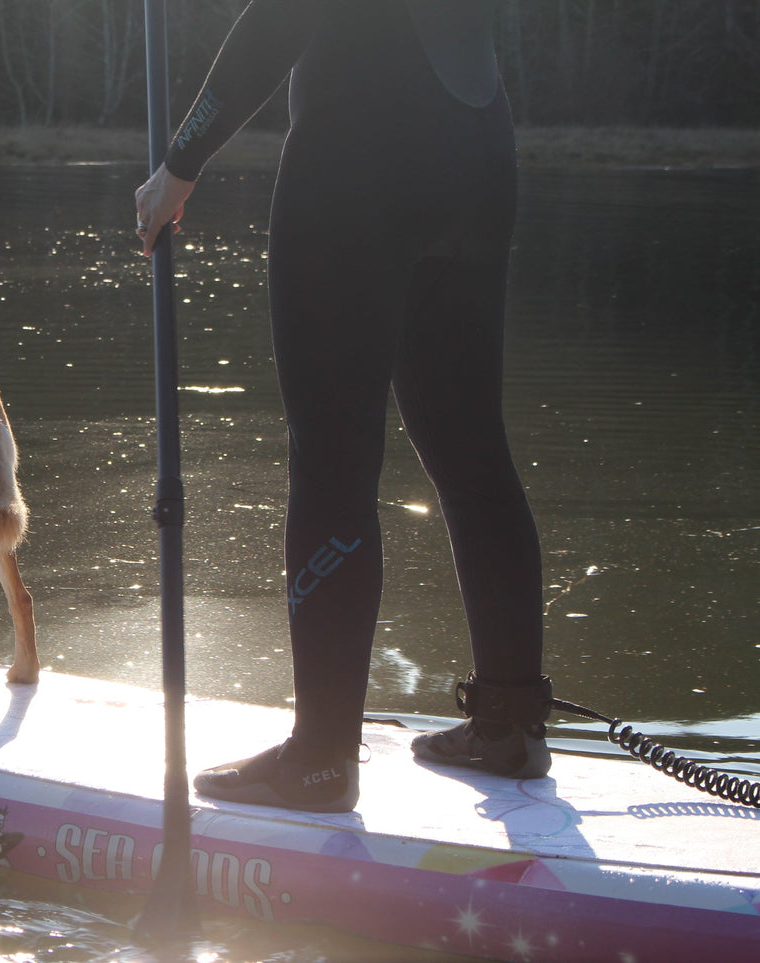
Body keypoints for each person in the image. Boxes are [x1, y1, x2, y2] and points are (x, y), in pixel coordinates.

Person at [135, 0, 552, 813]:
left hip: (357, 162)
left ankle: (321, 758)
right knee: (473, 455)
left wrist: (181, 161)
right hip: (478, 155)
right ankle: (508, 726)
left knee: (332, 458)